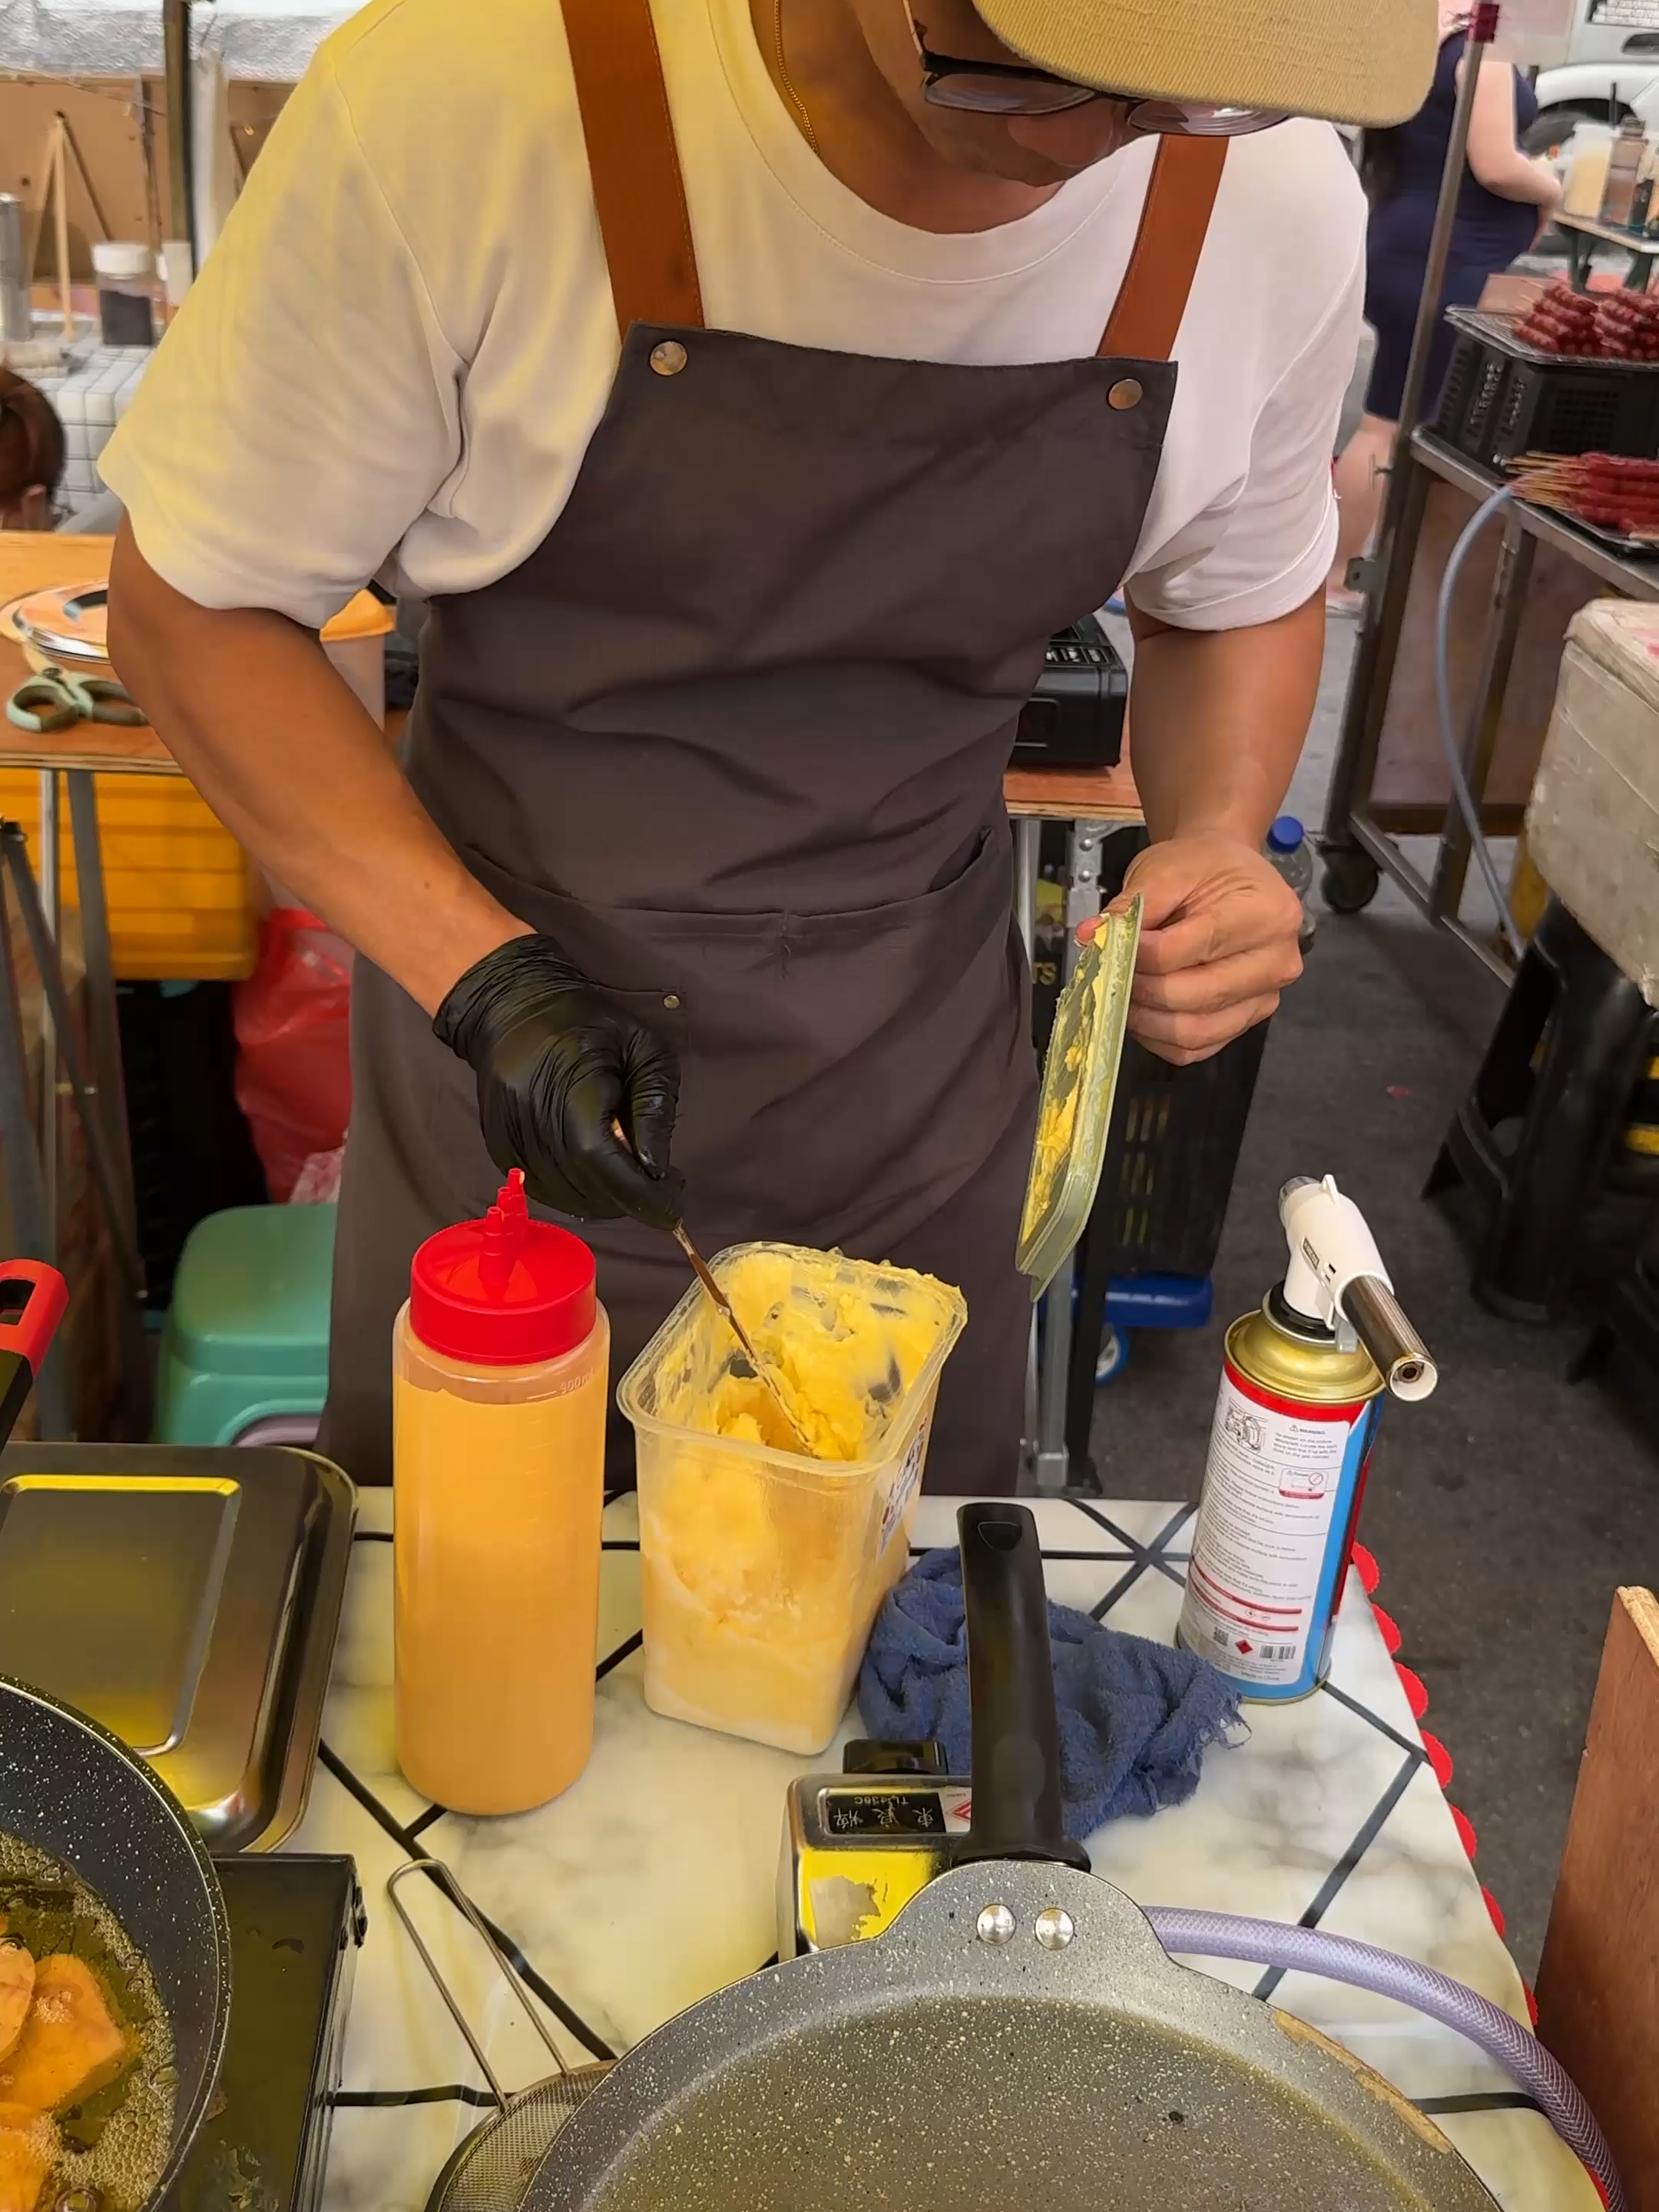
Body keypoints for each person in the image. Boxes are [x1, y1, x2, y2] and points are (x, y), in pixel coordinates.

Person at [101, 0, 1435, 1495]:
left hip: (921, 1102)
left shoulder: (1262, 188)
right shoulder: (463, 106)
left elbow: (1242, 593)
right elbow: (193, 617)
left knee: (894, 1652)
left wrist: (1213, 829)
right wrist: (480, 975)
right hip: (517, 1100)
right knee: (484, 1634)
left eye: (1162, 102)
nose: (1080, 142)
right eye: (1013, 64)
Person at [1330, 5, 1561, 601]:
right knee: (1390, 423)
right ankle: (1340, 577)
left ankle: (1359, 566)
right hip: (1440, 256)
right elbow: (1497, 165)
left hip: (1414, 242)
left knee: (1406, 413)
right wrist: (1552, 189)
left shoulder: (1424, 40)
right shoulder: (1479, 53)